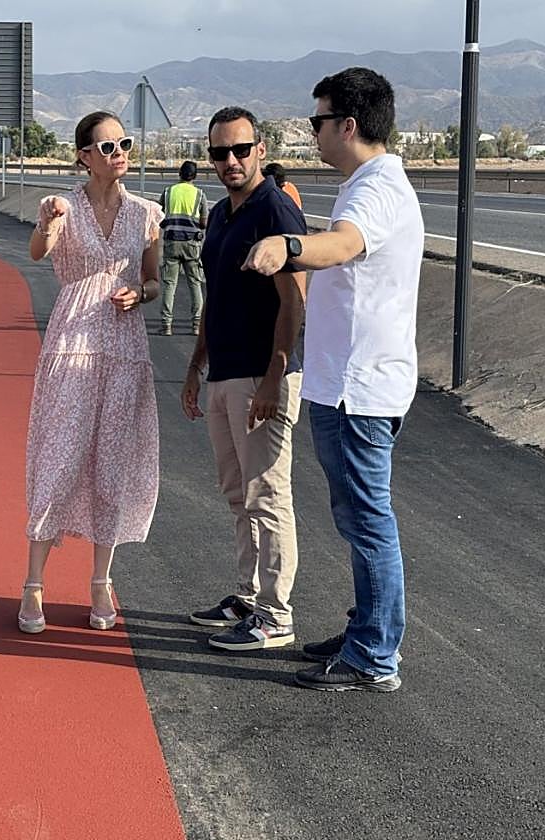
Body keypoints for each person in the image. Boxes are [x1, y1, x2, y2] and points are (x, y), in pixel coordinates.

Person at [244, 67, 424, 691]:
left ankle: (375, 655)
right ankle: (367, 630)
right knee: (360, 518)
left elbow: (343, 245)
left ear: (348, 125)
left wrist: (286, 246)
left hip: (356, 389)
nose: (314, 133)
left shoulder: (374, 189)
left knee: (368, 522)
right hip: (355, 383)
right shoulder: (372, 183)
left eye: (319, 122)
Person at [18, 110, 163, 634]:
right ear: (82, 156)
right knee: (59, 456)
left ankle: (101, 581)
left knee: (112, 464)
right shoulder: (61, 206)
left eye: (123, 143)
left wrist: (140, 294)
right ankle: (33, 583)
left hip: (124, 346)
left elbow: (153, 281)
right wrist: (46, 224)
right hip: (73, 343)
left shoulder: (147, 213)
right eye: (105, 146)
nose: (118, 152)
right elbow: (38, 253)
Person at [181, 106, 309, 652]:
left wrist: (273, 379)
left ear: (261, 149)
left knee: (268, 494)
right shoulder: (222, 215)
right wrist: (194, 367)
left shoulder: (275, 210)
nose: (229, 161)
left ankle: (276, 616)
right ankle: (248, 595)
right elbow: (215, 298)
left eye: (240, 150)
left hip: (263, 374)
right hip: (225, 372)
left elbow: (294, 301)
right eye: (218, 153)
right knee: (238, 493)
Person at [157, 160, 208, 336]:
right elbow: (204, 222)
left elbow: (159, 214)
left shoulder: (169, 191)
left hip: (171, 242)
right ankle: (196, 325)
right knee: (195, 283)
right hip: (192, 244)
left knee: (170, 284)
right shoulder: (200, 194)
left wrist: (169, 225)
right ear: (194, 176)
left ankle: (166, 325)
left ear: (179, 174)